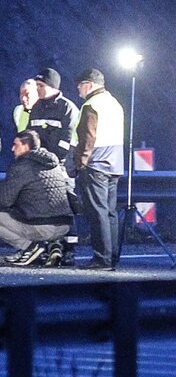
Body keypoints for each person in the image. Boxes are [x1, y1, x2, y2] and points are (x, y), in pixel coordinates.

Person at [0, 130, 74, 266]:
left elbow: (3, 201)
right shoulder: (54, 164)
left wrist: (10, 211)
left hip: (43, 227)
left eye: (15, 145)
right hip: (64, 226)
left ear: (26, 146)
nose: (12, 149)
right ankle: (53, 245)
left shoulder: (21, 166)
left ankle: (30, 248)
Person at [72, 68, 124, 270]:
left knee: (97, 212)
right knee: (110, 211)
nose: (78, 90)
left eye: (80, 85)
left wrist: (81, 163)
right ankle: (112, 256)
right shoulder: (114, 103)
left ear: (90, 84)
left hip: (96, 163)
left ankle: (101, 258)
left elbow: (88, 137)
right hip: (114, 162)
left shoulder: (91, 104)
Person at [29, 68, 80, 163]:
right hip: (39, 161)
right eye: (36, 85)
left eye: (41, 85)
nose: (37, 89)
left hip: (61, 163)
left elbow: (68, 137)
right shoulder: (36, 107)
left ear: (53, 87)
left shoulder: (67, 108)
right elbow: (31, 134)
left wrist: (57, 159)